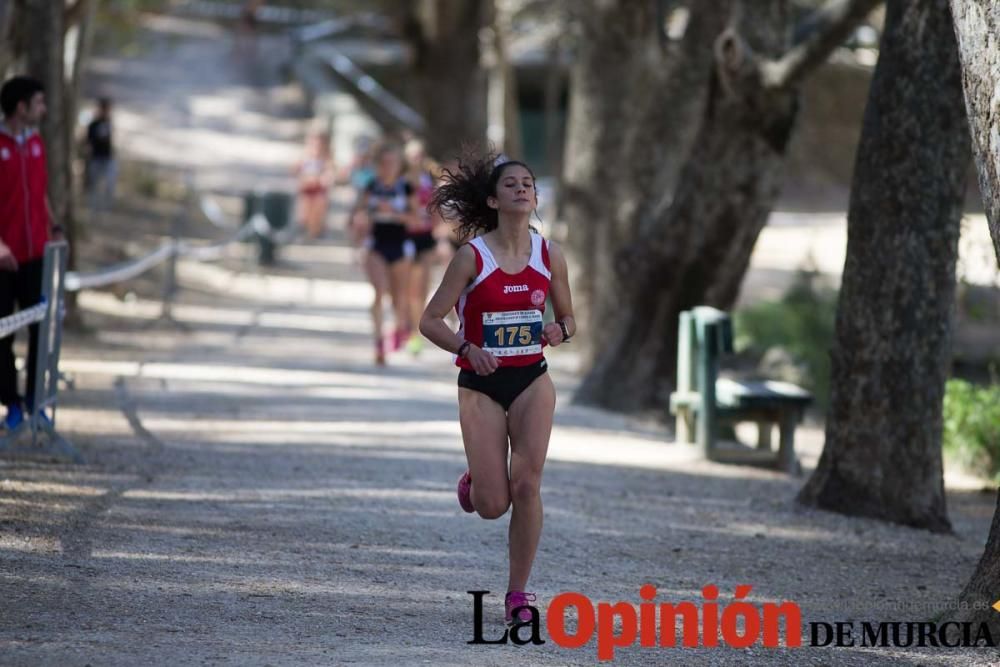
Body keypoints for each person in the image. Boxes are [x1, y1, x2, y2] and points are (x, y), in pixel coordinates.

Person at [419, 151, 576, 625]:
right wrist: (467, 348)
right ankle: (476, 482)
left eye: (528, 183)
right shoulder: (472, 256)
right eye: (511, 184)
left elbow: (569, 319)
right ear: (493, 198)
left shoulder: (550, 254)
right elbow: (429, 320)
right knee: (493, 505)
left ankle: (518, 594)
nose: (523, 189)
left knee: (527, 484)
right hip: (481, 383)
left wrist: (559, 331)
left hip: (532, 378)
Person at [0, 76, 63, 430]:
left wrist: (53, 227)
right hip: (2, 259)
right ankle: (10, 405)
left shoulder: (37, 142)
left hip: (35, 253)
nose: (43, 109)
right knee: (3, 334)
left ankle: (37, 401)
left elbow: (39, 193)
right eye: (38, 102)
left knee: (41, 328)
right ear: (21, 107)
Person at [348, 143, 418, 365]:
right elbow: (356, 215)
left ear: (399, 166)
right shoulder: (371, 185)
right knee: (378, 291)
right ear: (378, 165)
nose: (388, 167)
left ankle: (399, 328)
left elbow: (416, 220)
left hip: (400, 245)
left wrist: (395, 213)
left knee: (398, 296)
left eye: (392, 163)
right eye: (384, 163)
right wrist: (361, 222)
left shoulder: (406, 188)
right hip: (376, 244)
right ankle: (379, 341)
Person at [402, 138, 443, 355]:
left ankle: (415, 331)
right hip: (406, 238)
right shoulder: (402, 181)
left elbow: (435, 208)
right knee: (409, 288)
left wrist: (437, 229)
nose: (416, 160)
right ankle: (408, 329)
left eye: (419, 155)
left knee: (423, 288)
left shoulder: (429, 179)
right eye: (412, 156)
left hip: (426, 238)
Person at [293, 130, 334, 239]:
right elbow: (296, 170)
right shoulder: (305, 156)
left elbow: (329, 173)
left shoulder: (326, 158)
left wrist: (322, 179)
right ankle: (306, 227)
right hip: (307, 188)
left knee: (318, 207)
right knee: (305, 209)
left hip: (319, 189)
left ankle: (315, 230)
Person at [85, 97, 116, 215]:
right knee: (94, 185)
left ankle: (106, 208)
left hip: (108, 158)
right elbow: (88, 142)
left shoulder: (109, 122)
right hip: (96, 158)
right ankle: (93, 209)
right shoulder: (93, 124)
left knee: (110, 184)